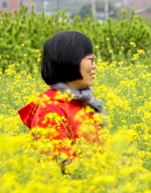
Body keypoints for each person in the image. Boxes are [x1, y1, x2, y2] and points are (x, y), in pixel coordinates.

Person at [18, 31, 105, 167]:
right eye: (91, 60)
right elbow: (62, 163)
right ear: (71, 60)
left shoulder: (83, 102)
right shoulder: (50, 109)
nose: (94, 66)